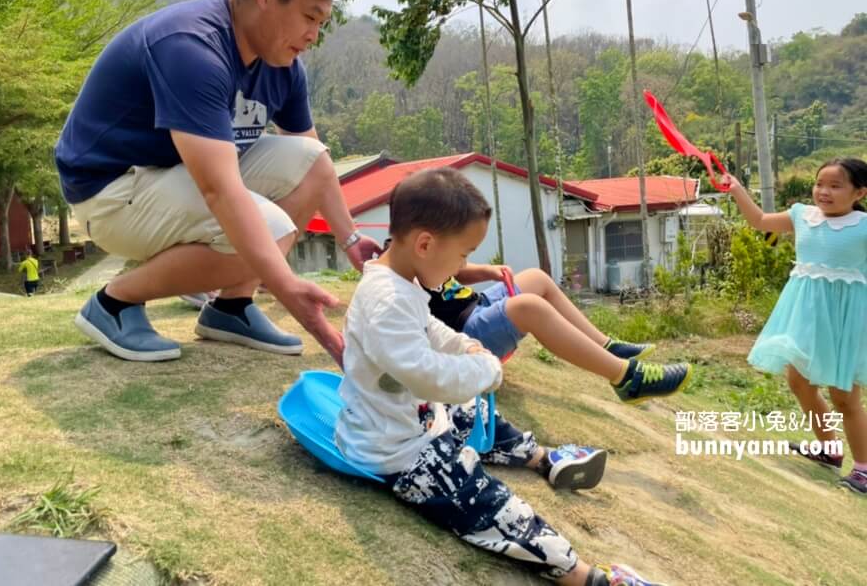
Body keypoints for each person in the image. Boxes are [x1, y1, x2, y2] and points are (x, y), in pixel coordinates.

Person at [54, 0, 381, 364]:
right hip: (111, 190)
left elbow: (313, 161)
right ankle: (113, 303)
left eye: (321, 24)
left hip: (175, 176)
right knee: (271, 231)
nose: (313, 36)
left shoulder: (281, 62)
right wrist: (286, 288)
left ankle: (231, 307)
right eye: (309, 17)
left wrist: (352, 238)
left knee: (309, 160)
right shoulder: (193, 47)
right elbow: (220, 192)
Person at [337, 167, 667, 586]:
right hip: (395, 453)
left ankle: (541, 458)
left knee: (472, 412)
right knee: (489, 505)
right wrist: (485, 367)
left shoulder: (402, 282)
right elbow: (424, 376)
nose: (463, 265)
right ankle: (585, 576)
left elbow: (430, 332)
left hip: (412, 420)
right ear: (424, 243)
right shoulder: (388, 300)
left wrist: (464, 347)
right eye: (463, 254)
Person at [724, 158, 867, 495]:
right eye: (820, 184)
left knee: (844, 396)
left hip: (846, 320)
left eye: (835, 186)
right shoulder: (801, 214)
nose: (824, 192)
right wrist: (737, 191)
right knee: (798, 380)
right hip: (805, 314)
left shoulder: (863, 226)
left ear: (859, 192)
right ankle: (829, 449)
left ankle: (863, 469)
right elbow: (759, 221)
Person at [427, 263, 692, 404]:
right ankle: (627, 379)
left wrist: (487, 271)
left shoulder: (421, 240)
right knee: (528, 307)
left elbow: (455, 269)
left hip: (477, 302)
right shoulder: (399, 269)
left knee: (536, 278)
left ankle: (605, 346)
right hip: (466, 330)